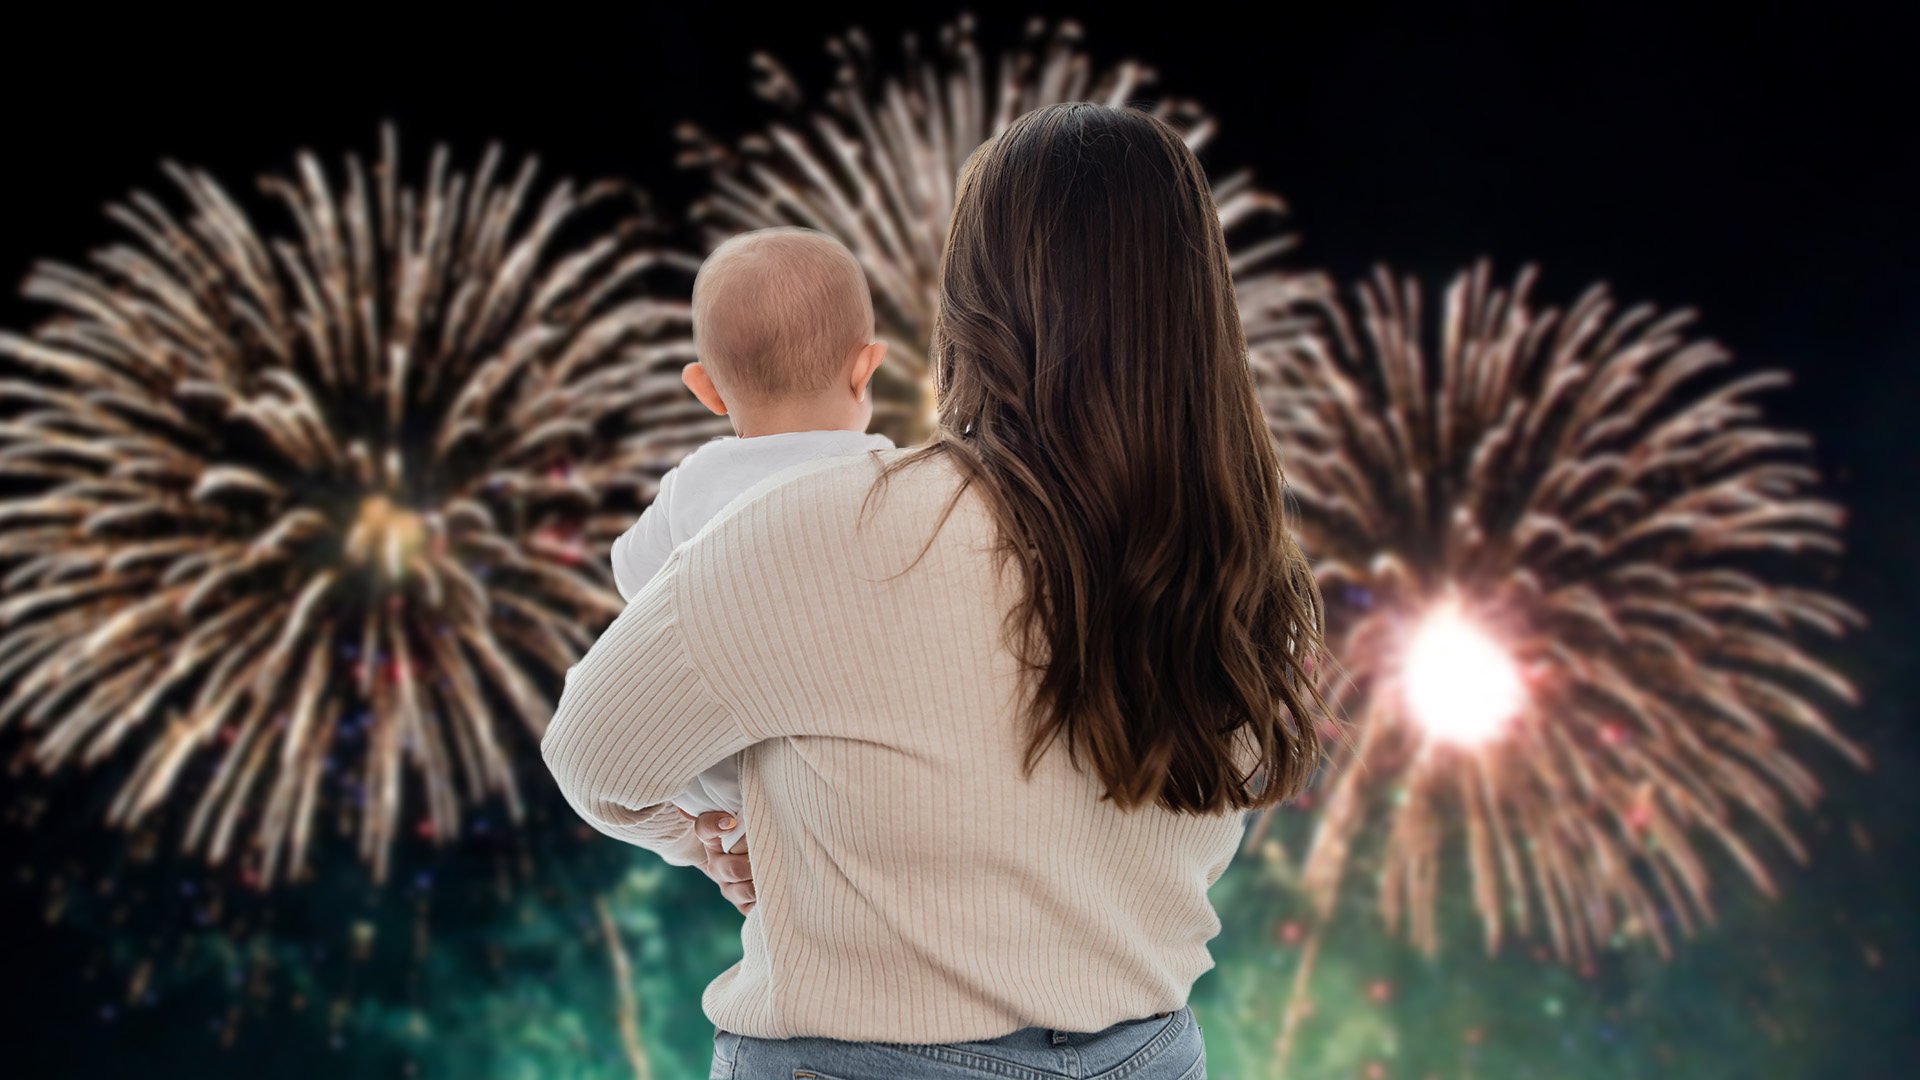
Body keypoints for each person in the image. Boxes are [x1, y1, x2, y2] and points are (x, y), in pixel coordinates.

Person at [541, 101, 1330, 1080]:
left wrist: (707, 840)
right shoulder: (1233, 566)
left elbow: (593, 753)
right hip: (1152, 1057)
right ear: (1199, 309)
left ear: (973, 304)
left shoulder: (814, 527)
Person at [605, 225, 892, 857]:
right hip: (848, 755)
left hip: (728, 772)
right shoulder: (885, 477)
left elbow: (632, 577)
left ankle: (718, 830)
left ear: (705, 388)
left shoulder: (694, 484)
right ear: (865, 368)